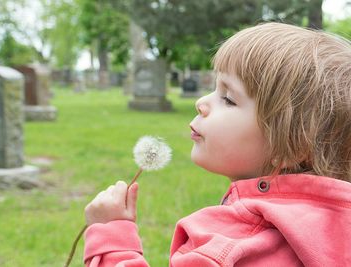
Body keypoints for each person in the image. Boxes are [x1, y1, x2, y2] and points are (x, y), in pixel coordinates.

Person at [83, 22, 351, 266]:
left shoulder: (232, 247)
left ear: (292, 147)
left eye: (229, 98)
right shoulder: (338, 231)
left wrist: (112, 239)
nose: (201, 103)